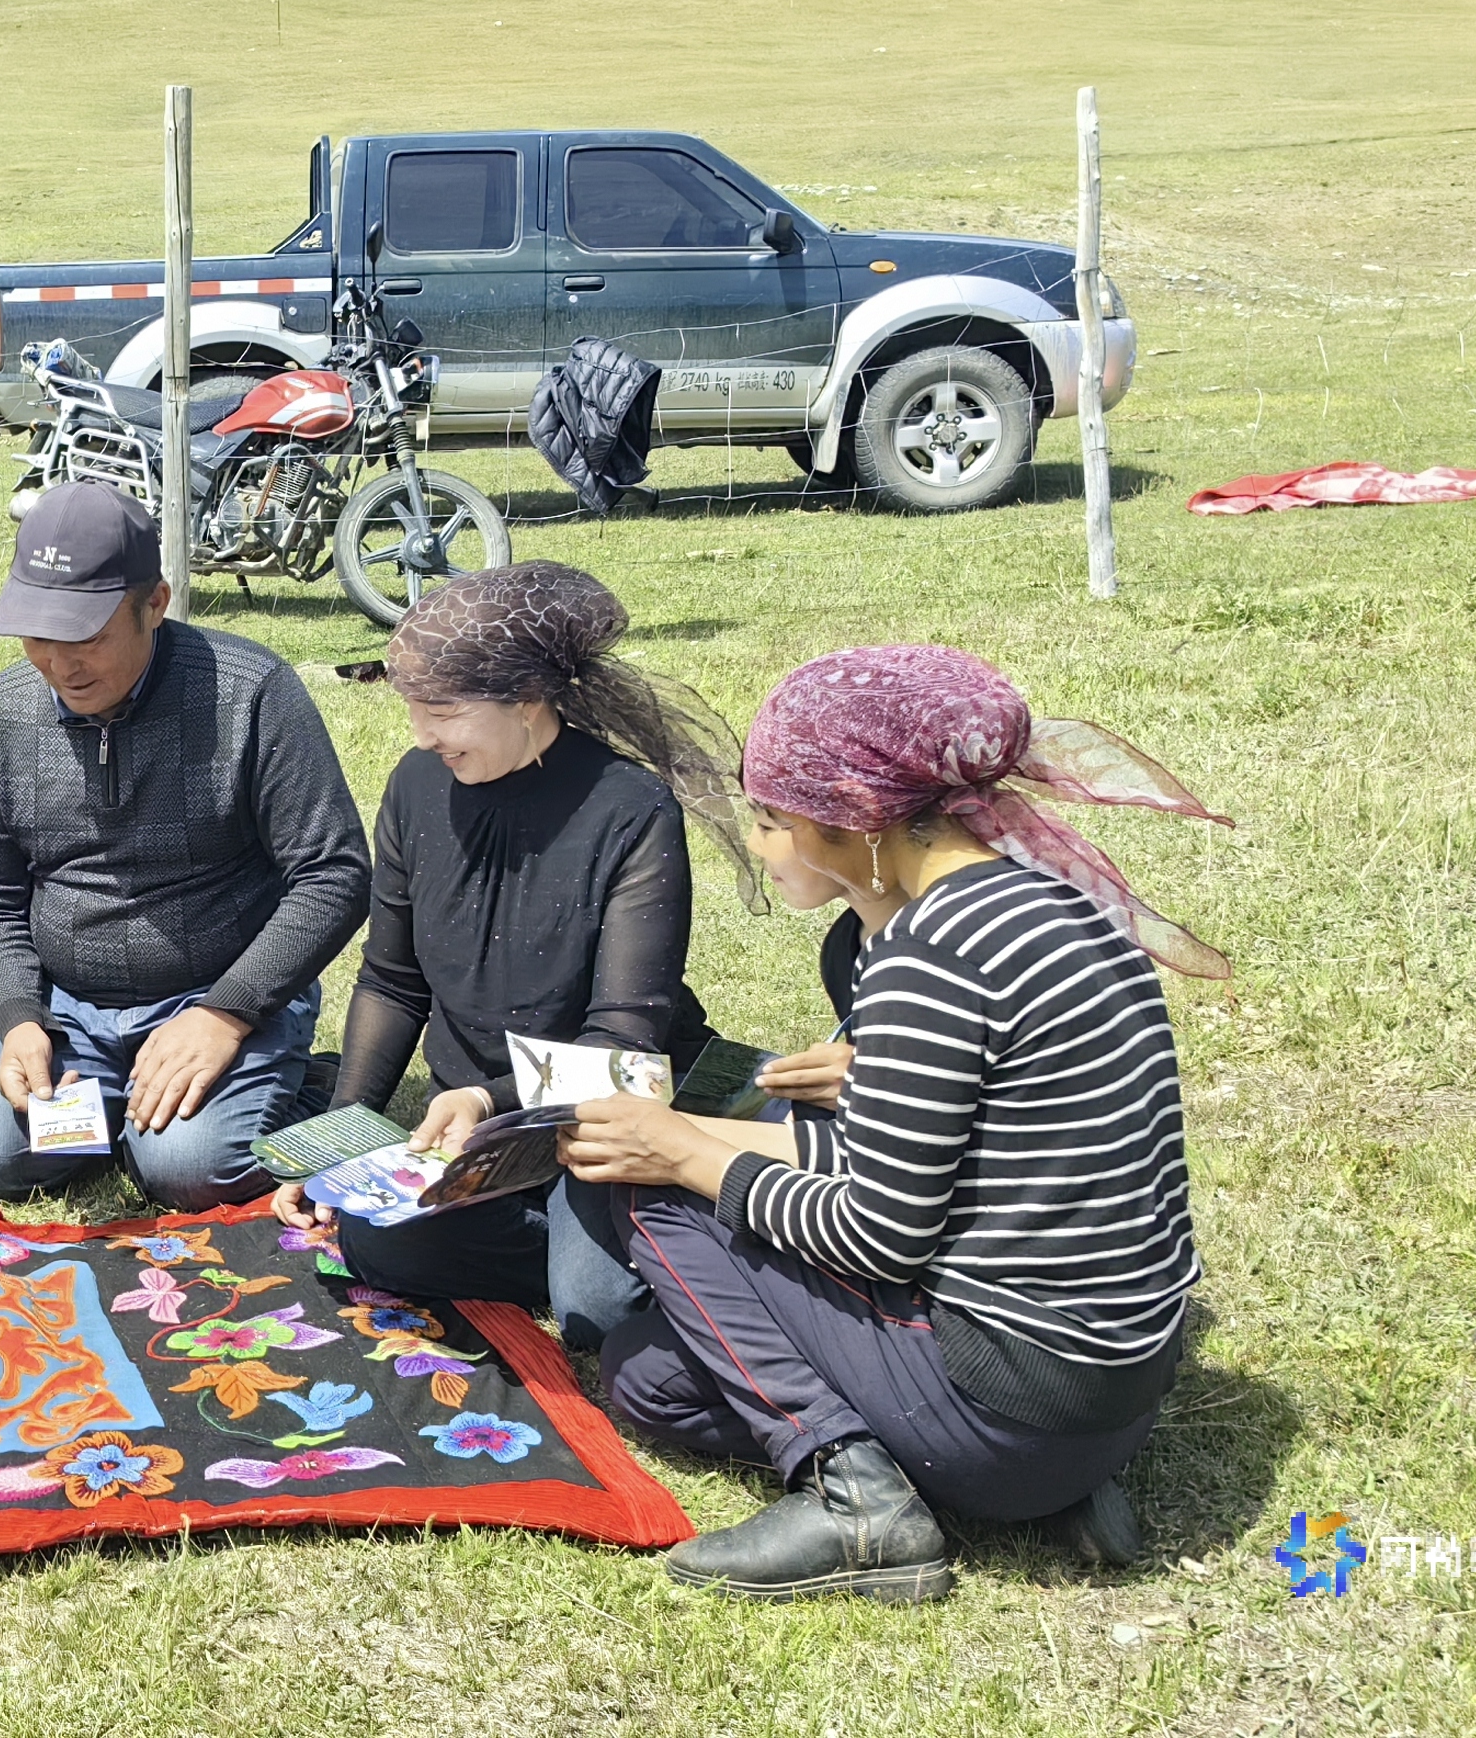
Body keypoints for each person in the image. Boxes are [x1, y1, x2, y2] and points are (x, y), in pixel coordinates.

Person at [553, 645, 1229, 1602]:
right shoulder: (1056, 908)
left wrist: (686, 1154)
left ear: (856, 819)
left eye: (771, 819)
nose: (759, 844)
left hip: (1013, 1398)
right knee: (646, 1374)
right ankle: (1037, 1494)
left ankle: (858, 1497)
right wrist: (704, 1138)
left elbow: (879, 1234)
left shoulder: (929, 956)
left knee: (650, 1196)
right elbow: (933, 1164)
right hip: (1112, 1399)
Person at [269, 562, 749, 1345]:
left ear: (528, 700)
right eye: (413, 710)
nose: (422, 735)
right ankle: (579, 1241)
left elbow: (622, 1039)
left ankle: (641, 1225)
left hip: (595, 1115)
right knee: (374, 1241)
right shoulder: (416, 786)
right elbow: (391, 981)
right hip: (472, 1130)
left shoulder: (630, 809)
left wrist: (488, 1100)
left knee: (595, 1312)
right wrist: (337, 1142)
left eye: (443, 712)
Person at [0, 483, 370, 1211]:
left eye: (86, 637)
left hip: (217, 991)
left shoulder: (252, 693)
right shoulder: (0, 716)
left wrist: (229, 1012)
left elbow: (334, 872)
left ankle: (297, 1084)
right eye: (37, 636)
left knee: (189, 1171)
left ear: (155, 603)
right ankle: (133, 1109)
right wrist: (18, 1018)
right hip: (66, 1009)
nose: (60, 664)